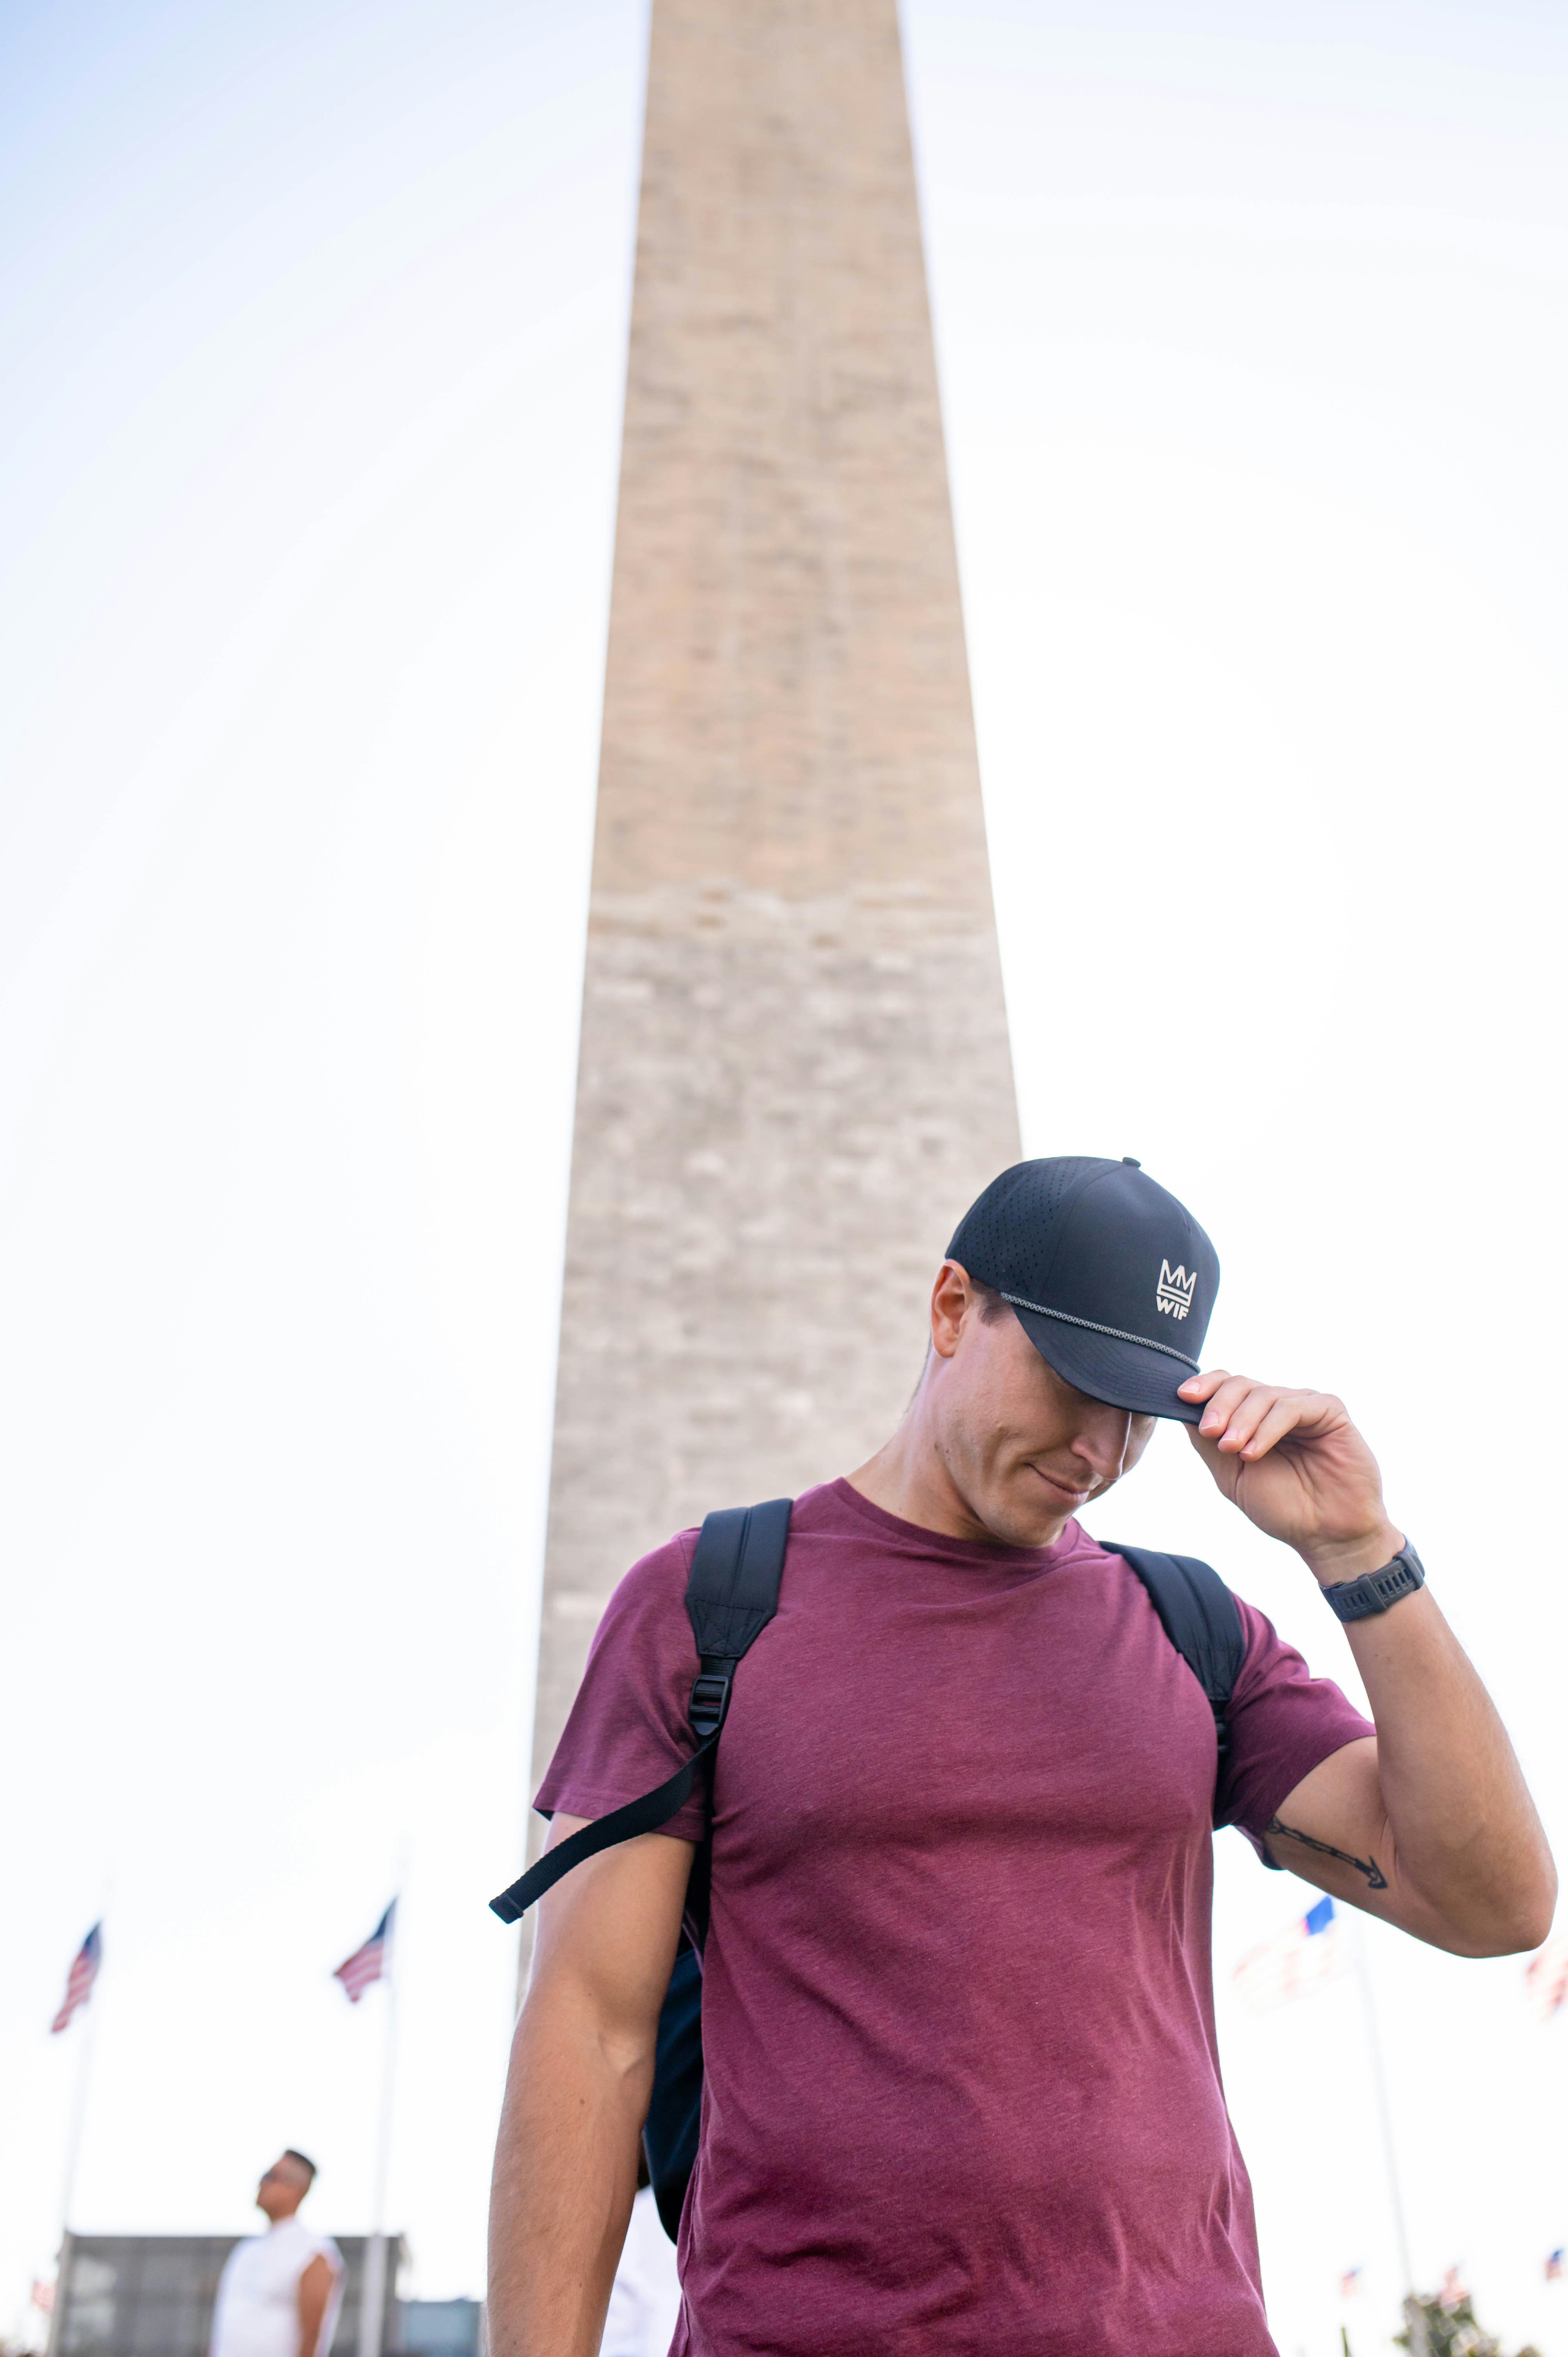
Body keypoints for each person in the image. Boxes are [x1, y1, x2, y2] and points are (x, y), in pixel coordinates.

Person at [488, 1156, 1555, 2356]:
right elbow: (591, 2032)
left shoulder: (1194, 1635)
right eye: (1072, 1381)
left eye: (1141, 1410)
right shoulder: (707, 1604)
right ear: (952, 1309)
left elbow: (1496, 1904)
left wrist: (1361, 1549)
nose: (1100, 1448)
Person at [211, 2149, 343, 2357]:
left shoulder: (313, 2253)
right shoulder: (245, 2250)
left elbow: (312, 2336)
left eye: (270, 2177)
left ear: (296, 2189)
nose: (261, 2183)